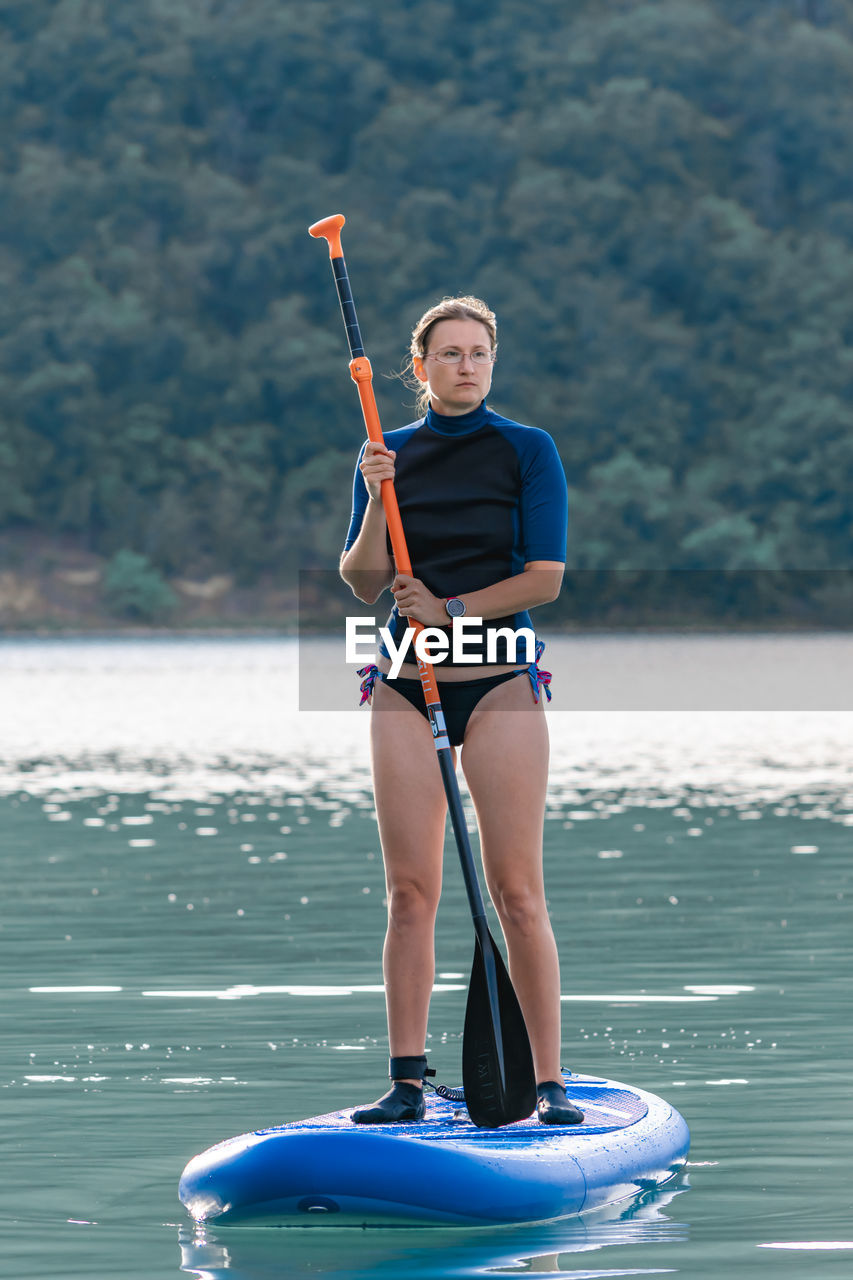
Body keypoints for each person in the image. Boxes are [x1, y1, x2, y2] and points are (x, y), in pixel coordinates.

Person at [339, 295, 583, 1127]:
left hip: (498, 681)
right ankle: (406, 1083)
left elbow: (544, 578)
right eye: (449, 353)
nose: (466, 365)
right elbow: (362, 581)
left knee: (516, 892)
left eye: (479, 352)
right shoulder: (386, 452)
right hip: (405, 682)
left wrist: (452, 609)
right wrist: (378, 499)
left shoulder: (526, 450)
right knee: (410, 892)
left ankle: (547, 1084)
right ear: (420, 367)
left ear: (491, 360)